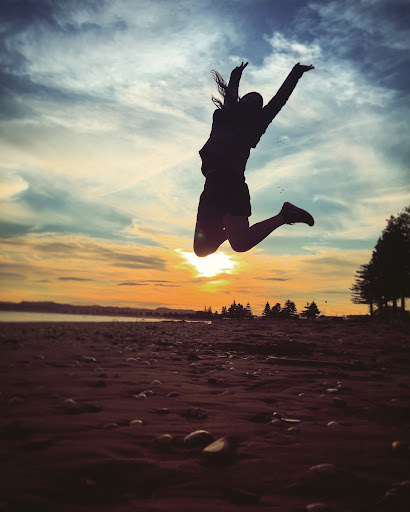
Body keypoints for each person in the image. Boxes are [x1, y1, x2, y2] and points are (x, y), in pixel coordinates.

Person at [194, 61, 315, 257]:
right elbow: (230, 96)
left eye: (257, 102)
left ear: (258, 110)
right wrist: (236, 75)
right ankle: (228, 229)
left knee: (240, 244)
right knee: (201, 249)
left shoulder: (255, 125)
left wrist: (296, 73)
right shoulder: (225, 116)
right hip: (211, 184)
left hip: (232, 184)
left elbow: (279, 100)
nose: (252, 101)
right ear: (241, 100)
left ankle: (285, 216)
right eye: (249, 98)